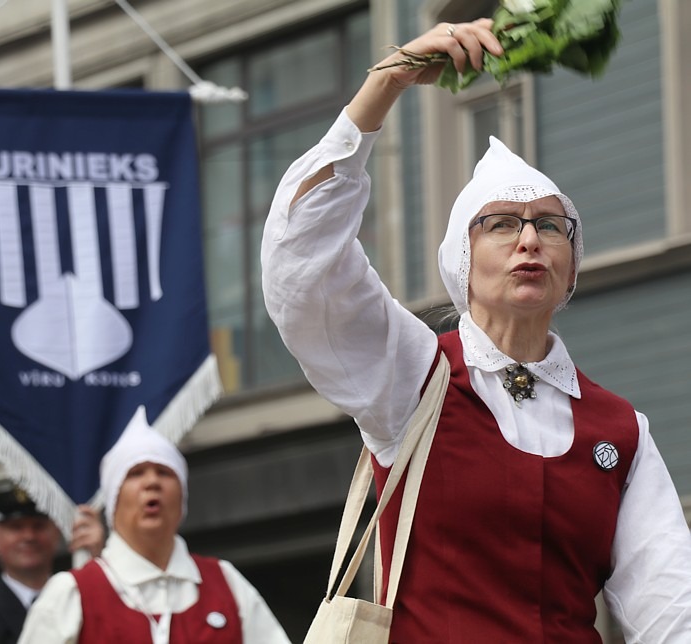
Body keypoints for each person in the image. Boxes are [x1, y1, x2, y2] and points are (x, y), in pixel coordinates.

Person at [261, 18, 691, 642]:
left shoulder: (620, 429)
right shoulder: (411, 374)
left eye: (549, 226)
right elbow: (304, 264)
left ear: (571, 265)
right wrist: (388, 81)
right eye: (500, 224)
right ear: (461, 261)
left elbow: (670, 603)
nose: (528, 239)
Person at [19, 406, 291, 643]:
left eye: (164, 472)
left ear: (182, 495)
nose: (152, 483)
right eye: (135, 473)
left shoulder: (226, 582)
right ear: (114, 500)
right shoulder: (71, 593)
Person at [0, 475, 104, 644]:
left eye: (38, 526)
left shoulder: (80, 601)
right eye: (16, 527)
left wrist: (98, 561)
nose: (29, 536)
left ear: (57, 533)